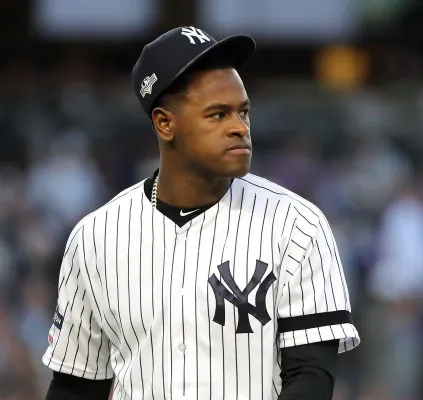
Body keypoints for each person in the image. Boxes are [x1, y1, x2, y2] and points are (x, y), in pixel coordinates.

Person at [42, 26, 360, 400]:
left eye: (243, 112)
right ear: (165, 123)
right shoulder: (95, 237)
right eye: (218, 114)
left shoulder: (296, 225)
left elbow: (310, 378)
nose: (239, 128)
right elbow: (76, 385)